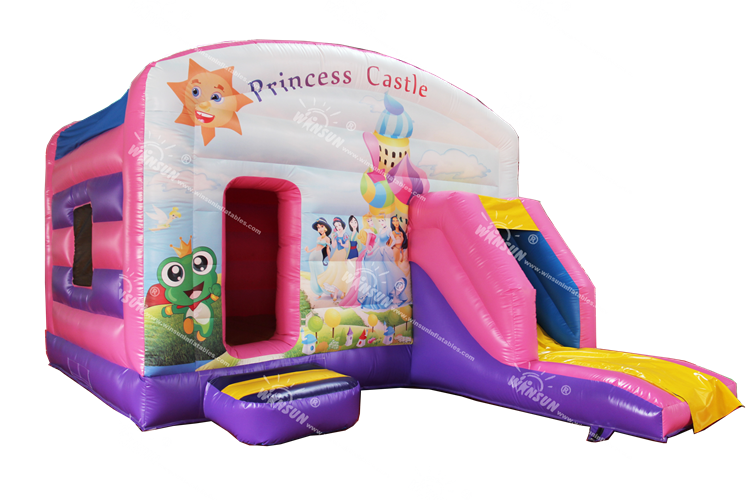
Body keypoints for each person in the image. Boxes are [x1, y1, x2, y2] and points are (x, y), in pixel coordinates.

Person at [358, 214, 407, 310]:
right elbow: (377, 242)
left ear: (385, 220)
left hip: (384, 252)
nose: (381, 222)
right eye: (379, 221)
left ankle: (394, 296)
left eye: (382, 220)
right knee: (378, 272)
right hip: (379, 252)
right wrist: (372, 251)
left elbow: (393, 240)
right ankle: (379, 297)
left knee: (388, 271)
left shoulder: (389, 230)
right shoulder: (380, 230)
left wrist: (387, 247)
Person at [316, 217, 351, 303]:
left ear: (342, 225)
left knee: (341, 272)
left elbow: (347, 245)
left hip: (342, 253)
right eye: (336, 226)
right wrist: (333, 238)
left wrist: (342, 243)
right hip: (336, 253)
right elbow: (334, 246)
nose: (338, 227)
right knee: (335, 272)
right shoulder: (336, 234)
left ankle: (343, 291)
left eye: (339, 225)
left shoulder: (345, 234)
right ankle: (336, 293)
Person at [304, 217, 331, 299]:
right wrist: (308, 251)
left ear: (326, 228)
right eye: (318, 228)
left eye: (321, 227)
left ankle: (328, 291)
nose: (320, 229)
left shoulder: (327, 239)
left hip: (319, 255)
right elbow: (316, 247)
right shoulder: (318, 238)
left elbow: (327, 249)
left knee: (320, 273)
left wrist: (330, 259)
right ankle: (318, 292)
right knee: (314, 274)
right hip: (313, 255)